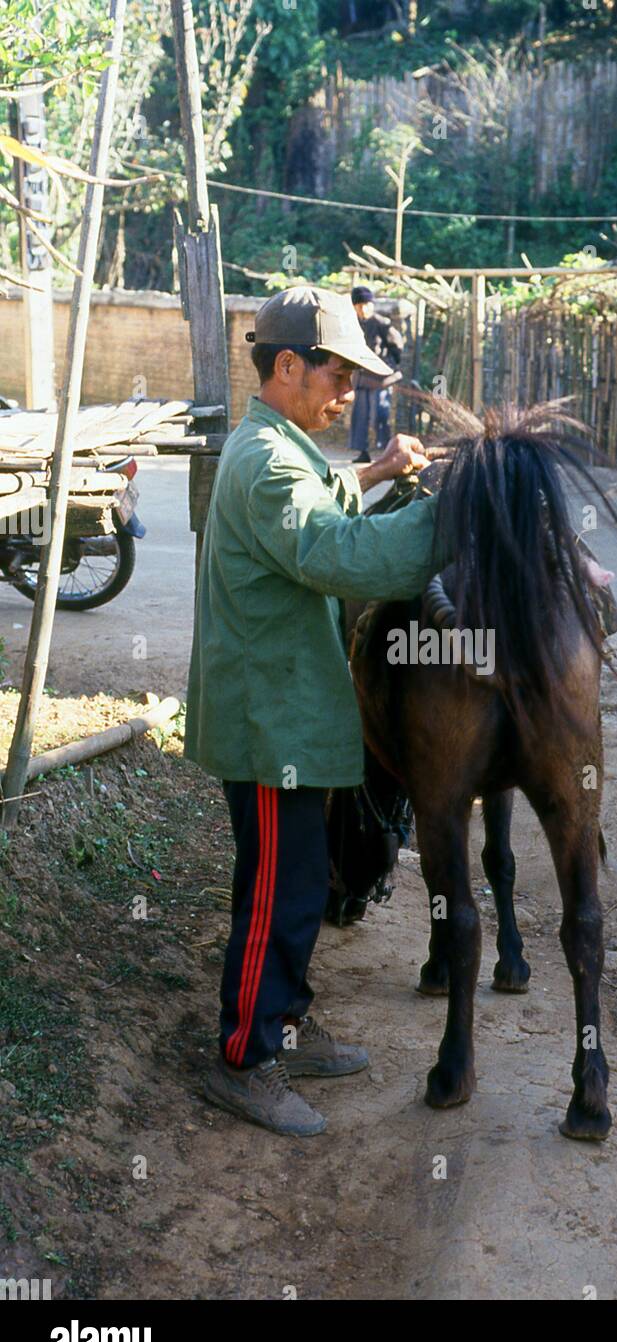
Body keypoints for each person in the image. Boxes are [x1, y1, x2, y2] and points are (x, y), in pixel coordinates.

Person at [185, 285, 446, 1138]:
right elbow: (329, 549)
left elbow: (319, 505)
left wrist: (371, 475)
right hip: (270, 719)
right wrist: (453, 515)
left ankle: (284, 1024)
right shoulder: (265, 462)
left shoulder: (277, 446)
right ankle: (244, 1058)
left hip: (287, 710)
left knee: (296, 881)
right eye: (340, 374)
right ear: (287, 365)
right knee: (277, 891)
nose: (350, 394)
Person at [348, 286, 404, 463]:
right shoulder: (352, 324)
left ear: (371, 305)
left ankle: (385, 453)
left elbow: (397, 347)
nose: (363, 309)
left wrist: (390, 367)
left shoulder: (382, 323)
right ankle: (362, 452)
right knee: (360, 416)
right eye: (359, 305)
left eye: (366, 305)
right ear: (355, 307)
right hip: (361, 378)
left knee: (381, 414)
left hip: (380, 379)